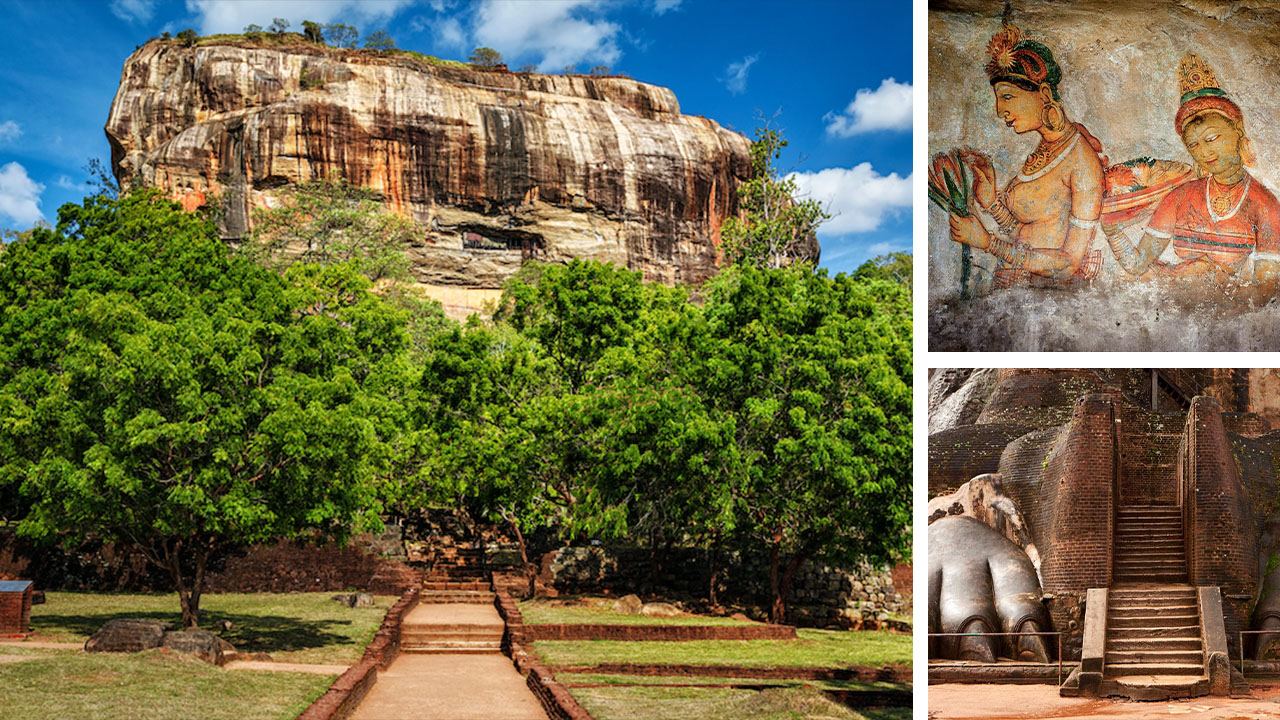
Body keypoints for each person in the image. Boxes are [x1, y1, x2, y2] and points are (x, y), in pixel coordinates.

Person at [1107, 53, 1280, 303]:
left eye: (1211, 139)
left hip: (1226, 314)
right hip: (1175, 305)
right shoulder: (1180, 197)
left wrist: (1215, 282)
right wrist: (1113, 232)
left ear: (1237, 132)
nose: (1204, 152)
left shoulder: (1265, 205)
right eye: (1194, 145)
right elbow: (1136, 265)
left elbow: (1264, 293)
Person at [948, 24, 1104, 289]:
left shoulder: (1082, 162)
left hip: (1048, 300)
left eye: (1008, 96)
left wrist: (987, 243)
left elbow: (1069, 262)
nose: (1000, 110)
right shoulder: (1045, 149)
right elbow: (1026, 234)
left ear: (1043, 95)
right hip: (1016, 291)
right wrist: (991, 202)